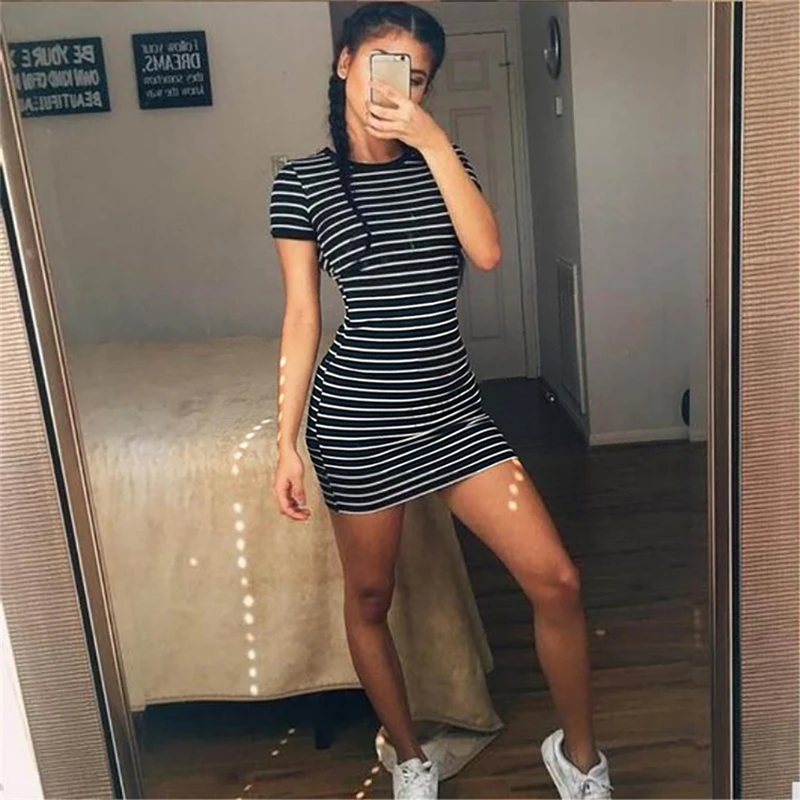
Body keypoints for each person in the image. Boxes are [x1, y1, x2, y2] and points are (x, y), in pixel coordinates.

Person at [268, 3, 613, 798]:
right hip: (356, 421)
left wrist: (429, 142)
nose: (397, 86)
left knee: (557, 580)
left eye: (416, 77)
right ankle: (409, 756)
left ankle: (580, 760)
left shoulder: (442, 157)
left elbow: (486, 253)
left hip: (452, 418)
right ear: (344, 63)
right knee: (370, 597)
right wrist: (285, 440)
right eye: (382, 63)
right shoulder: (302, 183)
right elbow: (301, 318)